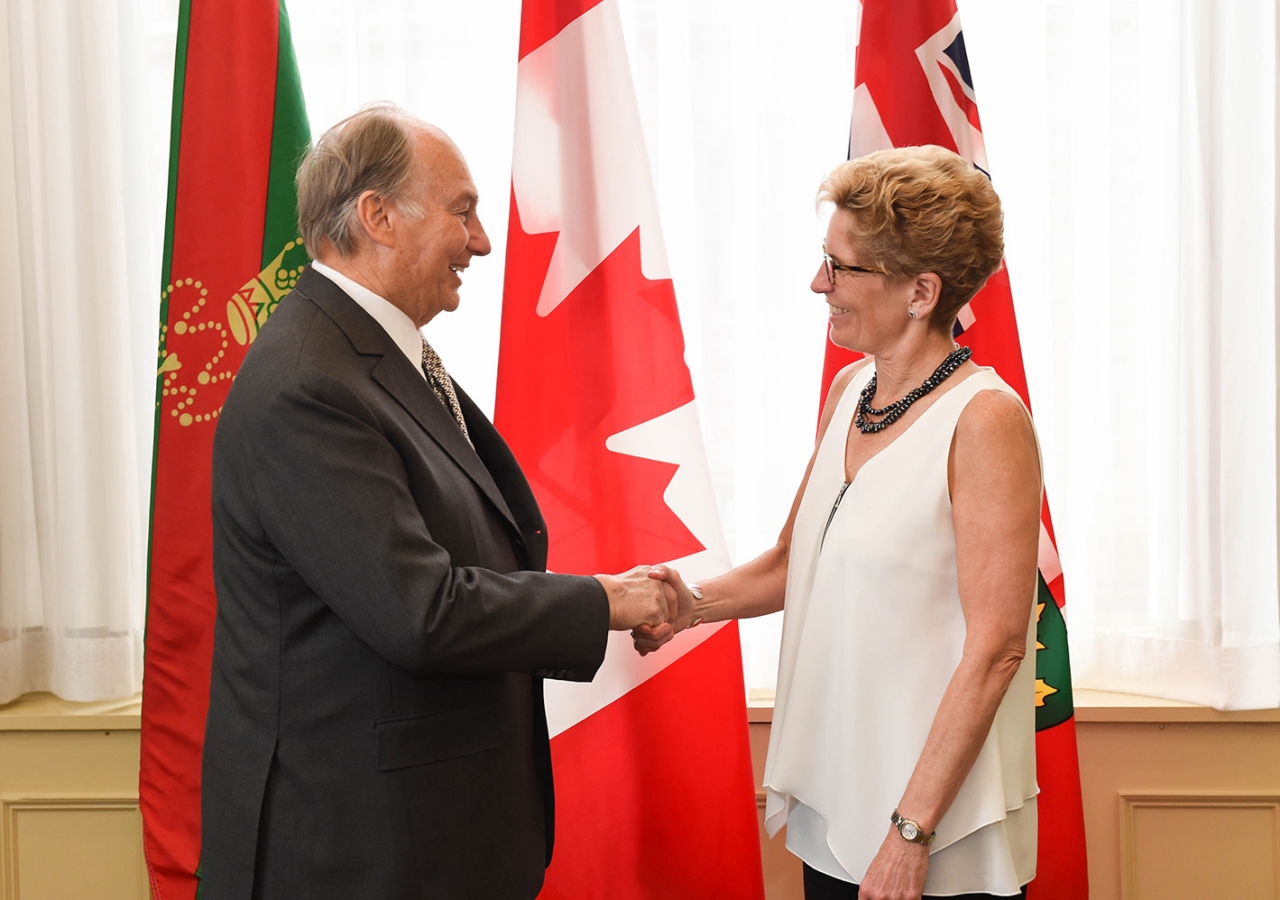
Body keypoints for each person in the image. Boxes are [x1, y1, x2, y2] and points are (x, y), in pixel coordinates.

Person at [200, 105, 674, 900]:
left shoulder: (371, 354)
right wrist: (608, 602)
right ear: (378, 217)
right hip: (360, 852)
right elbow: (419, 610)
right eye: (463, 212)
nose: (483, 242)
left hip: (429, 834)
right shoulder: (309, 384)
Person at [637, 145, 1041, 900]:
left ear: (922, 291)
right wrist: (686, 606)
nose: (819, 283)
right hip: (839, 801)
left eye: (841, 267)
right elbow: (798, 561)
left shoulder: (986, 421)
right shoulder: (853, 390)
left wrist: (910, 832)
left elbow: (998, 649)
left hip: (929, 832)